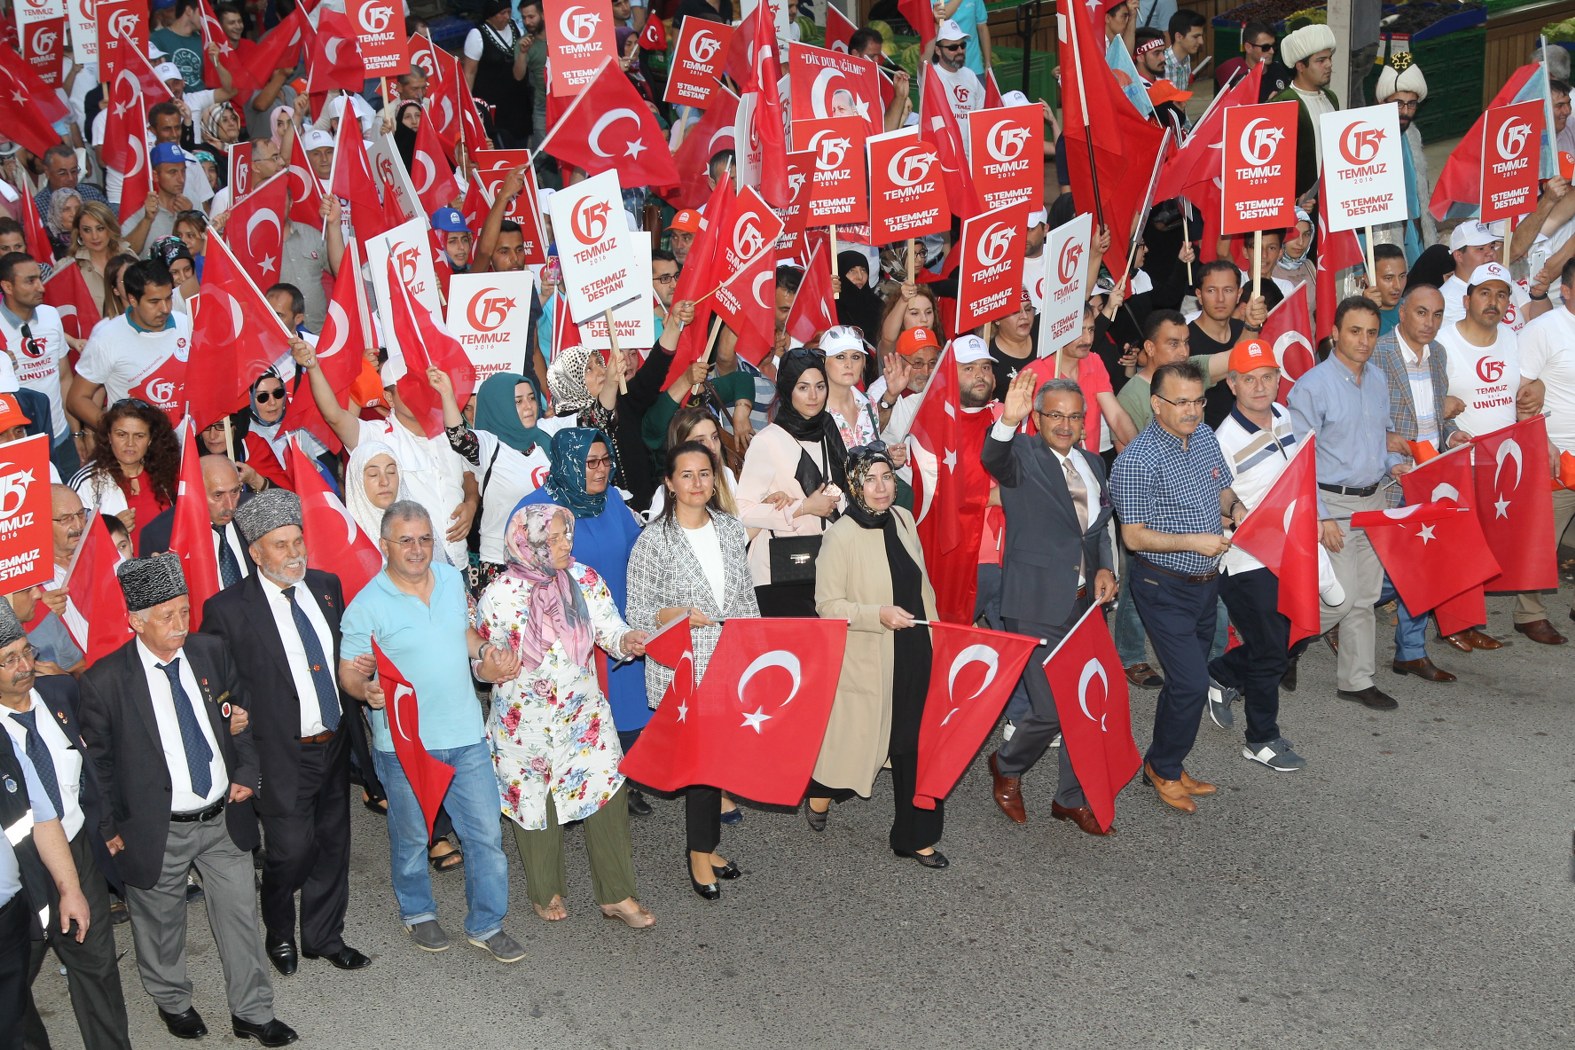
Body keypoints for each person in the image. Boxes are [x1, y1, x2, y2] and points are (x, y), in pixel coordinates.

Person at [77, 554, 297, 1046]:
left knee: (240, 915)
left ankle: (253, 1013)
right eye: (167, 617)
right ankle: (172, 1000)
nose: (181, 626)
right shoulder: (105, 682)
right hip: (157, 826)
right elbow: (100, 767)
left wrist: (244, 771)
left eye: (184, 612)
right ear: (136, 621)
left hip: (222, 816)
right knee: (160, 926)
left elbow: (238, 712)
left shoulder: (209, 651)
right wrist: (110, 828)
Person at [337, 501, 526, 963]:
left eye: (424, 538)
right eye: (406, 540)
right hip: (405, 747)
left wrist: (485, 650)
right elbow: (348, 674)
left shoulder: (447, 579)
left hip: (465, 735)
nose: (418, 549)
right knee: (413, 836)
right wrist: (367, 690)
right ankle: (418, 911)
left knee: (485, 836)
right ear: (385, 546)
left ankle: (487, 923)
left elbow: (462, 634)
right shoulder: (365, 607)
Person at [200, 491, 371, 977]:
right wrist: (232, 720)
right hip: (278, 752)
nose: (294, 552)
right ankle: (278, 927)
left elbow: (342, 655)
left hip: (334, 743)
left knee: (333, 845)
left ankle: (322, 936)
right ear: (255, 553)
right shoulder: (228, 609)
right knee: (291, 850)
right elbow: (216, 682)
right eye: (281, 545)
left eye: (298, 541)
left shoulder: (326, 586)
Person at [474, 503, 653, 926]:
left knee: (606, 791)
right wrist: (488, 668)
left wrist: (628, 640)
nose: (564, 544)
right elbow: (479, 660)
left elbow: (609, 628)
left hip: (582, 716)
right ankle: (544, 889)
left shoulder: (584, 579)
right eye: (552, 538)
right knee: (534, 801)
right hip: (525, 721)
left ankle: (617, 894)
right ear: (527, 543)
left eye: (565, 535)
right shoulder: (499, 595)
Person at [1111, 361, 1248, 814]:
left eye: (1199, 401)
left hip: (1206, 584)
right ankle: (1163, 770)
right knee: (1190, 682)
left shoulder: (1205, 438)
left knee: (1185, 681)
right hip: (1162, 584)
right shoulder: (1135, 461)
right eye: (1182, 402)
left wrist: (1237, 506)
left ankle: (1166, 760)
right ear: (1156, 403)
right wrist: (1194, 541)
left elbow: (1222, 490)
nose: (1193, 411)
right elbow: (1132, 537)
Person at [984, 375, 1119, 832]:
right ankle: (1007, 764)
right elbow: (992, 457)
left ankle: (1070, 797)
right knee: (1050, 709)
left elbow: (1095, 529)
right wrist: (1008, 420)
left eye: (1074, 416)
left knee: (1085, 704)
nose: (1065, 424)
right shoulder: (1022, 455)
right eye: (1056, 415)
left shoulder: (1094, 464)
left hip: (1084, 604)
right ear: (1039, 418)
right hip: (1035, 601)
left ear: (1085, 421)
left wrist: (1104, 567)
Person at [1207, 339, 1350, 769]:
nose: (1259, 387)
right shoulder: (1222, 437)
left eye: (1267, 377)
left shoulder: (1286, 417)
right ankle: (1261, 738)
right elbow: (1218, 490)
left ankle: (1224, 674)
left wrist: (1320, 516)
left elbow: (1301, 475)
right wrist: (1235, 508)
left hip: (1293, 549)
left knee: (1308, 625)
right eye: (1248, 380)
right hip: (1247, 557)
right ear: (1232, 384)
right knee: (1272, 648)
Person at [626, 441, 760, 899]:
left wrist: (755, 650)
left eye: (705, 473)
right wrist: (681, 612)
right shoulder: (652, 540)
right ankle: (699, 854)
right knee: (703, 766)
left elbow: (745, 598)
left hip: (730, 663)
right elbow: (639, 616)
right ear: (669, 482)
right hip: (684, 669)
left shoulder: (728, 528)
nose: (697, 483)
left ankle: (709, 844)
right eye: (687, 475)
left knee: (720, 759)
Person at [2, 600, 132, 1050]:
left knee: (97, 966)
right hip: (17, 876)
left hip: (75, 851)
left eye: (27, 652)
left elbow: (90, 767)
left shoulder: (59, 695)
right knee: (14, 982)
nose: (25, 666)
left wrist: (106, 825)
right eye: (9, 659)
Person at [513, 427, 653, 811]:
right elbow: (522, 575)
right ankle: (565, 787)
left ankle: (619, 780)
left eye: (606, 460)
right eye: (590, 463)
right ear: (569, 462)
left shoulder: (610, 500)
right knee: (574, 714)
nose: (601, 470)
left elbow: (636, 548)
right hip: (564, 635)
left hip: (614, 622)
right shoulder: (536, 509)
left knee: (624, 710)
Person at [1288, 297, 1405, 711]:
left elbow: (1382, 437)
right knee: (1341, 595)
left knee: (1366, 595)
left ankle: (1356, 680)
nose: (1364, 340)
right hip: (1330, 504)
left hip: (1373, 499)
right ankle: (1284, 645)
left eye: (1372, 332)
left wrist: (1395, 464)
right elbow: (1298, 461)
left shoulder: (1377, 380)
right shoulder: (1312, 387)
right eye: (1355, 331)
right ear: (1335, 332)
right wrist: (1320, 517)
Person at [1376, 286, 1496, 658]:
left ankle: (1410, 653)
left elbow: (1436, 416)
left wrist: (1452, 432)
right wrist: (1388, 453)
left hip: (1434, 475)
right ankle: (1328, 609)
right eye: (1422, 312)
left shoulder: (1438, 353)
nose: (1430, 322)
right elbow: (1362, 420)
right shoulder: (1377, 352)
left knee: (1424, 565)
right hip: (1392, 477)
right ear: (1402, 313)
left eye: (1438, 314)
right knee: (1386, 574)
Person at [0, 699, 92, 1050]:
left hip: (10, 922)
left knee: (19, 1027)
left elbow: (41, 816)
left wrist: (70, 889)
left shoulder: (2, 739)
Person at [736, 348, 848, 616]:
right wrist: (803, 507)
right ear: (788, 390)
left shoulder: (829, 432)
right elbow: (742, 513)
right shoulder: (766, 441)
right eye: (803, 387)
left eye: (820, 386)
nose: (813, 396)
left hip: (830, 570)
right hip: (780, 575)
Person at [431, 370, 551, 586]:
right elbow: (459, 438)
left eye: (531, 398)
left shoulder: (544, 438)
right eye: (518, 401)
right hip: (502, 563)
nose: (529, 406)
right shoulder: (490, 445)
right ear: (499, 406)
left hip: (546, 562)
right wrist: (447, 394)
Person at [68, 261, 192, 427]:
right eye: (154, 302)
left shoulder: (188, 325)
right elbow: (77, 399)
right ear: (133, 299)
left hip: (189, 445)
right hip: (139, 451)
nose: (165, 308)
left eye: (168, 298)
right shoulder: (106, 338)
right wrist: (117, 432)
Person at [0, 252, 79, 476]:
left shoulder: (51, 315)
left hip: (62, 437)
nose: (41, 287)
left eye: (39, 279)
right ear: (7, 286)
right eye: (30, 281)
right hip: (18, 442)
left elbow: (64, 377)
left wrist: (76, 433)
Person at [68, 400, 179, 548]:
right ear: (109, 436)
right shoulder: (87, 482)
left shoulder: (167, 473)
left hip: (165, 567)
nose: (130, 443)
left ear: (150, 439)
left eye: (139, 436)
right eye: (121, 435)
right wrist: (111, 530)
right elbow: (69, 543)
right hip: (115, 570)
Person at [137, 456, 254, 594]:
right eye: (218, 495)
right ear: (195, 490)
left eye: (235, 491)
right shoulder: (161, 535)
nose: (230, 505)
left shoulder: (254, 509)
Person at [1271, 24, 1338, 199]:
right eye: (1321, 60)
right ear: (1300, 66)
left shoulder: (1331, 97)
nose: (1329, 65)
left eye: (1330, 58)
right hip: (1302, 207)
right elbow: (1274, 167)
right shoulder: (1283, 103)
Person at [928, 20, 985, 125]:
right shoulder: (930, 75)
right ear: (938, 50)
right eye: (953, 47)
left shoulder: (970, 75)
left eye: (962, 45)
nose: (960, 51)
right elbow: (923, 61)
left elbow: (982, 112)